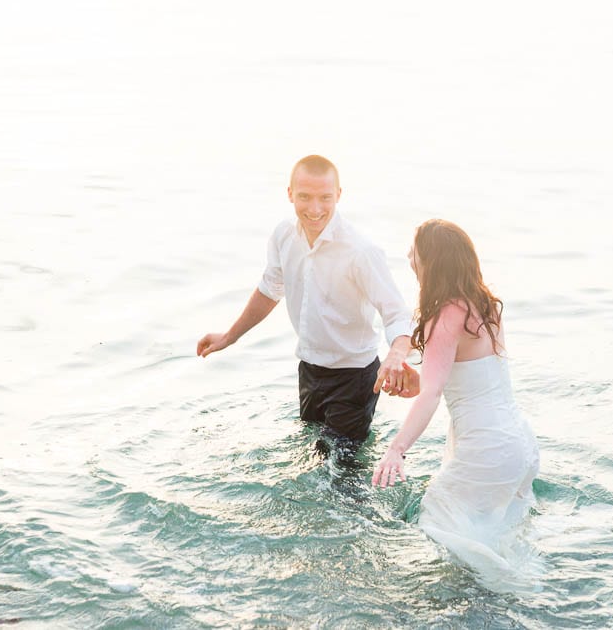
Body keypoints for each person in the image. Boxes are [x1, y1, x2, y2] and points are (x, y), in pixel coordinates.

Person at [197, 155, 414, 451]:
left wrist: (396, 356)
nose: (315, 209)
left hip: (354, 378)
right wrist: (228, 337)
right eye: (304, 197)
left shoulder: (361, 251)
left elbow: (397, 314)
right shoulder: (283, 235)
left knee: (339, 477)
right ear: (289, 194)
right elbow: (270, 290)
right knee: (312, 461)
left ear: (338, 195)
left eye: (325, 198)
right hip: (309, 371)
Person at [372, 219, 541, 590]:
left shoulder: (445, 317)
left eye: (414, 251)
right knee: (495, 540)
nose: (408, 257)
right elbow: (469, 380)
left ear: (431, 263)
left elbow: (434, 393)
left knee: (437, 521)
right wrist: (416, 381)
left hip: (488, 452)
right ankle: (514, 595)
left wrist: (396, 450)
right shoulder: (484, 307)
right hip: (520, 447)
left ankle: (515, 598)